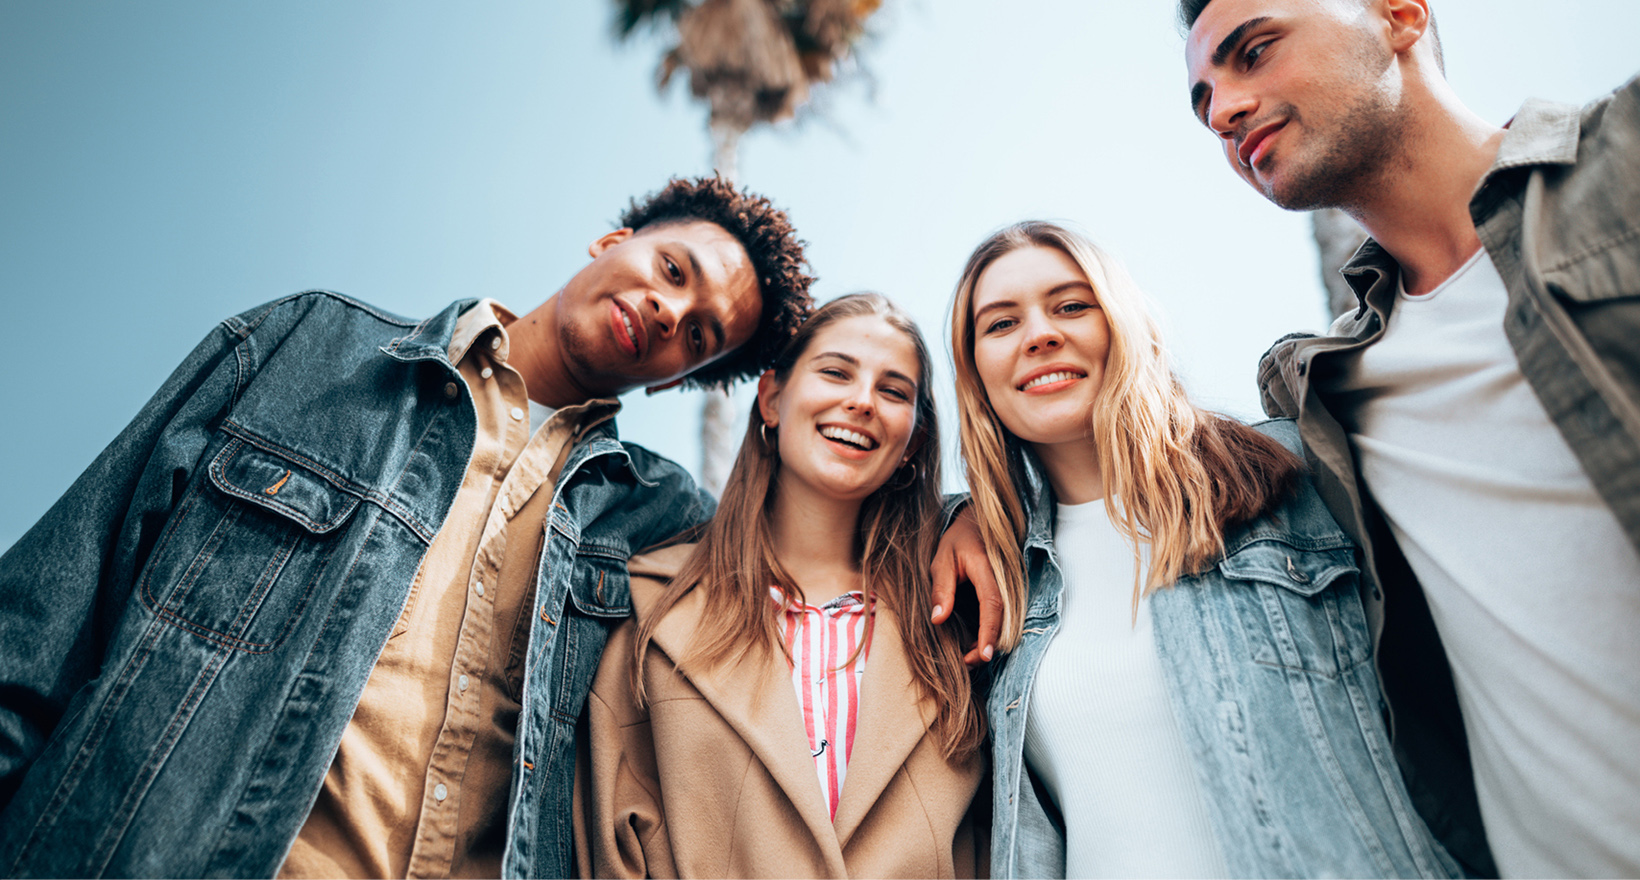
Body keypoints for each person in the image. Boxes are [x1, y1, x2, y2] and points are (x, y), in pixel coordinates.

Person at [0, 176, 816, 879]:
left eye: (700, 335)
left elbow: (832, 581)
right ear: (613, 240)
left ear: (686, 377)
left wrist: (952, 524)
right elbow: (35, 634)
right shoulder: (307, 350)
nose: (669, 311)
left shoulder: (656, 523)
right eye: (673, 271)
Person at [1182, 0, 1640, 874]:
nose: (1224, 110)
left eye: (1255, 52)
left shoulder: (1626, 163)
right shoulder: (1325, 392)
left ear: (1398, 15)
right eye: (1204, 99)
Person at [951, 221, 1457, 878]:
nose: (1041, 334)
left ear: (1123, 324)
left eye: (1072, 305)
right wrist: (954, 515)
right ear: (976, 373)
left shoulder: (1295, 474)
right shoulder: (997, 583)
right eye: (1000, 324)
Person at [574, 293, 985, 878]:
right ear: (771, 398)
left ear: (912, 445)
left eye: (893, 392)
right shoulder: (649, 607)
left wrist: (971, 513)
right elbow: (609, 840)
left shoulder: (959, 621)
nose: (861, 401)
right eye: (835, 372)